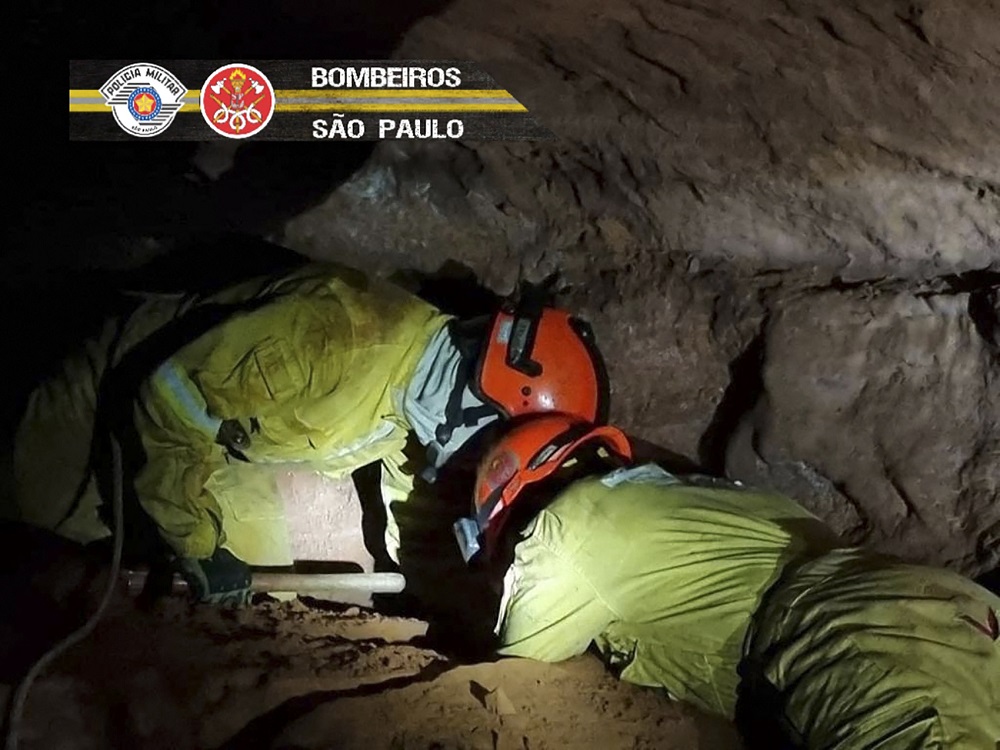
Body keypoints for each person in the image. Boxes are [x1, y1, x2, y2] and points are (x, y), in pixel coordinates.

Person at [6, 258, 610, 606]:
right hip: (123, 384)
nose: (490, 459)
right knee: (35, 502)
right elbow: (173, 395)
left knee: (265, 572)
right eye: (499, 440)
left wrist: (436, 586)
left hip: (224, 441)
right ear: (484, 397)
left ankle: (155, 537)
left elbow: (409, 497)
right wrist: (195, 541)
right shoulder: (337, 334)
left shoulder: (424, 402)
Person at [456, 414, 1000, 749]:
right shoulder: (696, 494)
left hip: (852, 631)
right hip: (951, 613)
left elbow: (520, 660)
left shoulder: (565, 527)